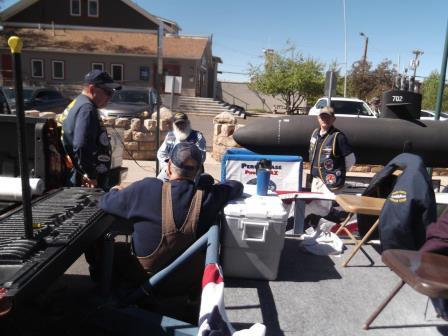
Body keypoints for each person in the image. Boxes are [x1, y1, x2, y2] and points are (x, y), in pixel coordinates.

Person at [99, 142, 242, 320]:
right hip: (185, 284)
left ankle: (114, 298)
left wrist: (116, 190)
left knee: (102, 248)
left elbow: (106, 202)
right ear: (198, 171)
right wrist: (206, 183)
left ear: (168, 167)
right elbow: (236, 186)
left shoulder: (145, 188)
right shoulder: (210, 197)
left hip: (143, 278)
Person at [60, 70, 121, 191]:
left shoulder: (78, 102)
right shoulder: (87, 109)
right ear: (92, 89)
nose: (110, 97)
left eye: (112, 93)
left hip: (77, 173)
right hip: (84, 180)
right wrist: (90, 174)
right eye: (107, 92)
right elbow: (81, 145)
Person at [309, 106, 356, 194]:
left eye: (328, 117)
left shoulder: (338, 136)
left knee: (328, 207)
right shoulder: (315, 133)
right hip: (316, 180)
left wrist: (338, 171)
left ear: (333, 119)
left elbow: (351, 159)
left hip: (330, 184)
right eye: (322, 117)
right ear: (318, 118)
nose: (324, 119)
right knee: (315, 207)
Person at [157, 112, 206, 181]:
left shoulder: (198, 136)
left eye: (182, 123)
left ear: (188, 123)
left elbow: (202, 156)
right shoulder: (170, 136)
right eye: (177, 124)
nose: (180, 126)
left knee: (192, 185)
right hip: (172, 168)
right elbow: (161, 153)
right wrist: (167, 167)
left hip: (191, 170)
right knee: (160, 180)